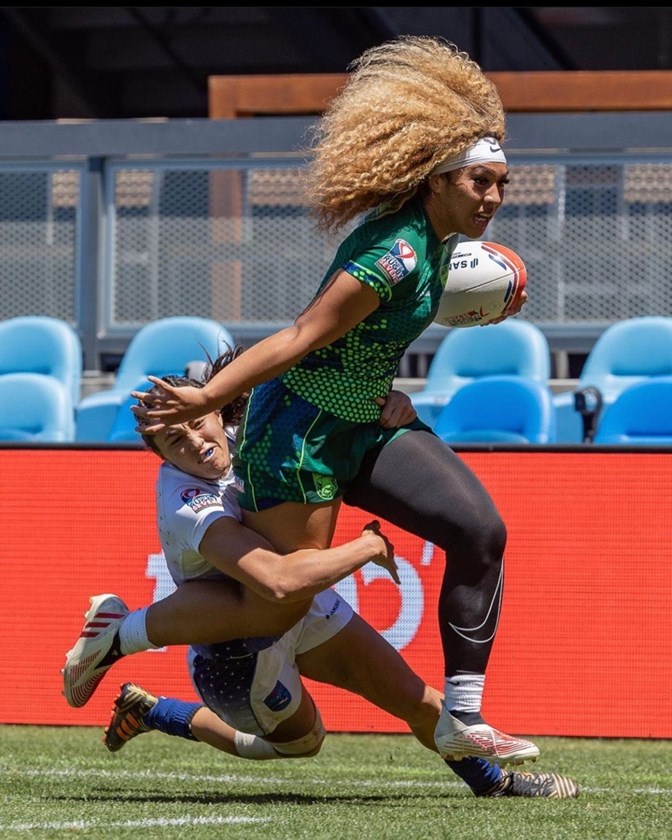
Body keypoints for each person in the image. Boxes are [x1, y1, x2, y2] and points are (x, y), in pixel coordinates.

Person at [130, 35, 534, 764]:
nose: (494, 197)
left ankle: (466, 718)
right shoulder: (397, 253)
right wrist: (207, 397)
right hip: (300, 433)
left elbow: (364, 344)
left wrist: (390, 390)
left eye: (502, 182)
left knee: (480, 531)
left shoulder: (439, 241)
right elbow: (300, 338)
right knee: (275, 600)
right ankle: (130, 645)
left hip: (365, 421)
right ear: (437, 181)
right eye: (480, 181)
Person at [64, 356, 578, 798]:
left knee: (421, 703)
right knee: (300, 744)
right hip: (236, 652)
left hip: (302, 608)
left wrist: (391, 409)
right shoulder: (185, 501)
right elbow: (278, 580)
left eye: (198, 422)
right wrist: (368, 546)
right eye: (173, 441)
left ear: (218, 411)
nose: (194, 442)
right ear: (160, 457)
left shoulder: (258, 435)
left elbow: (324, 403)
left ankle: (496, 783)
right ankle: (152, 695)